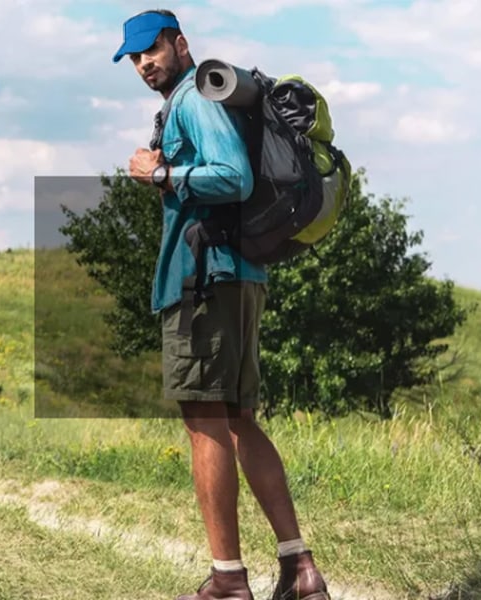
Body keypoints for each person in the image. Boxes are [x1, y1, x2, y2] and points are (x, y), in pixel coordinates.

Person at [113, 9, 330, 600]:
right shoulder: (198, 97)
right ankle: (300, 569)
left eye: (150, 51)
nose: (142, 65)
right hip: (233, 274)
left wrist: (163, 174)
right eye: (133, 58)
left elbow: (232, 175)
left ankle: (229, 579)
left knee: (205, 422)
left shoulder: (193, 99)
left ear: (180, 44)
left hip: (204, 281)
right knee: (236, 422)